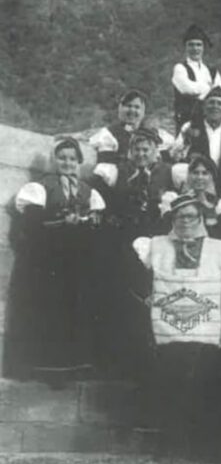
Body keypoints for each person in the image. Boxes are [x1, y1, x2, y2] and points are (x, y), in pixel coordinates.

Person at [132, 193, 221, 454]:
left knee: (203, 383)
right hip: (168, 327)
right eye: (179, 216)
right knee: (172, 382)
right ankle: (173, 442)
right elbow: (136, 277)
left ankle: (202, 443)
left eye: (191, 216)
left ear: (201, 218)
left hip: (206, 328)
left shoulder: (219, 249)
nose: (185, 221)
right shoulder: (156, 245)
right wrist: (147, 295)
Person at [9, 138, 105, 381]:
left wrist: (91, 223)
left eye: (73, 158)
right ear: (54, 161)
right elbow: (32, 226)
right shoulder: (40, 187)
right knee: (51, 311)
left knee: (76, 309)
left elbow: (96, 228)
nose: (67, 162)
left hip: (78, 262)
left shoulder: (88, 191)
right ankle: (48, 369)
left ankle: (74, 367)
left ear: (79, 163)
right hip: (49, 260)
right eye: (62, 158)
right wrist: (62, 223)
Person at [93, 126, 176, 238]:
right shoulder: (119, 171)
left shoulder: (167, 171)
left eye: (145, 150)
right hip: (126, 231)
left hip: (157, 231)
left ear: (155, 151)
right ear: (131, 151)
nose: (140, 154)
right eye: (137, 149)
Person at [173, 86, 221, 192]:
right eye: (211, 102)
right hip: (196, 183)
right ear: (204, 107)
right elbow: (175, 154)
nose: (215, 107)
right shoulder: (190, 127)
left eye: (219, 103)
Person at [89, 89, 175, 165]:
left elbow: (167, 162)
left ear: (143, 111)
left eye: (137, 107)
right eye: (128, 106)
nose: (132, 110)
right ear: (120, 108)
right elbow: (105, 164)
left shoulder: (156, 133)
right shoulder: (108, 135)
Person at [172, 24, 221, 132]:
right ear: (185, 47)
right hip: (187, 122)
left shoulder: (212, 72)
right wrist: (208, 88)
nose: (195, 48)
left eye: (198, 45)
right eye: (191, 45)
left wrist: (202, 92)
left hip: (210, 122)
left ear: (203, 47)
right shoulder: (180, 68)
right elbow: (186, 88)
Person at [176, 154, 221, 238]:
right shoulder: (179, 202)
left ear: (211, 177)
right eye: (195, 173)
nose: (199, 177)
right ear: (189, 176)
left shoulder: (219, 204)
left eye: (204, 173)